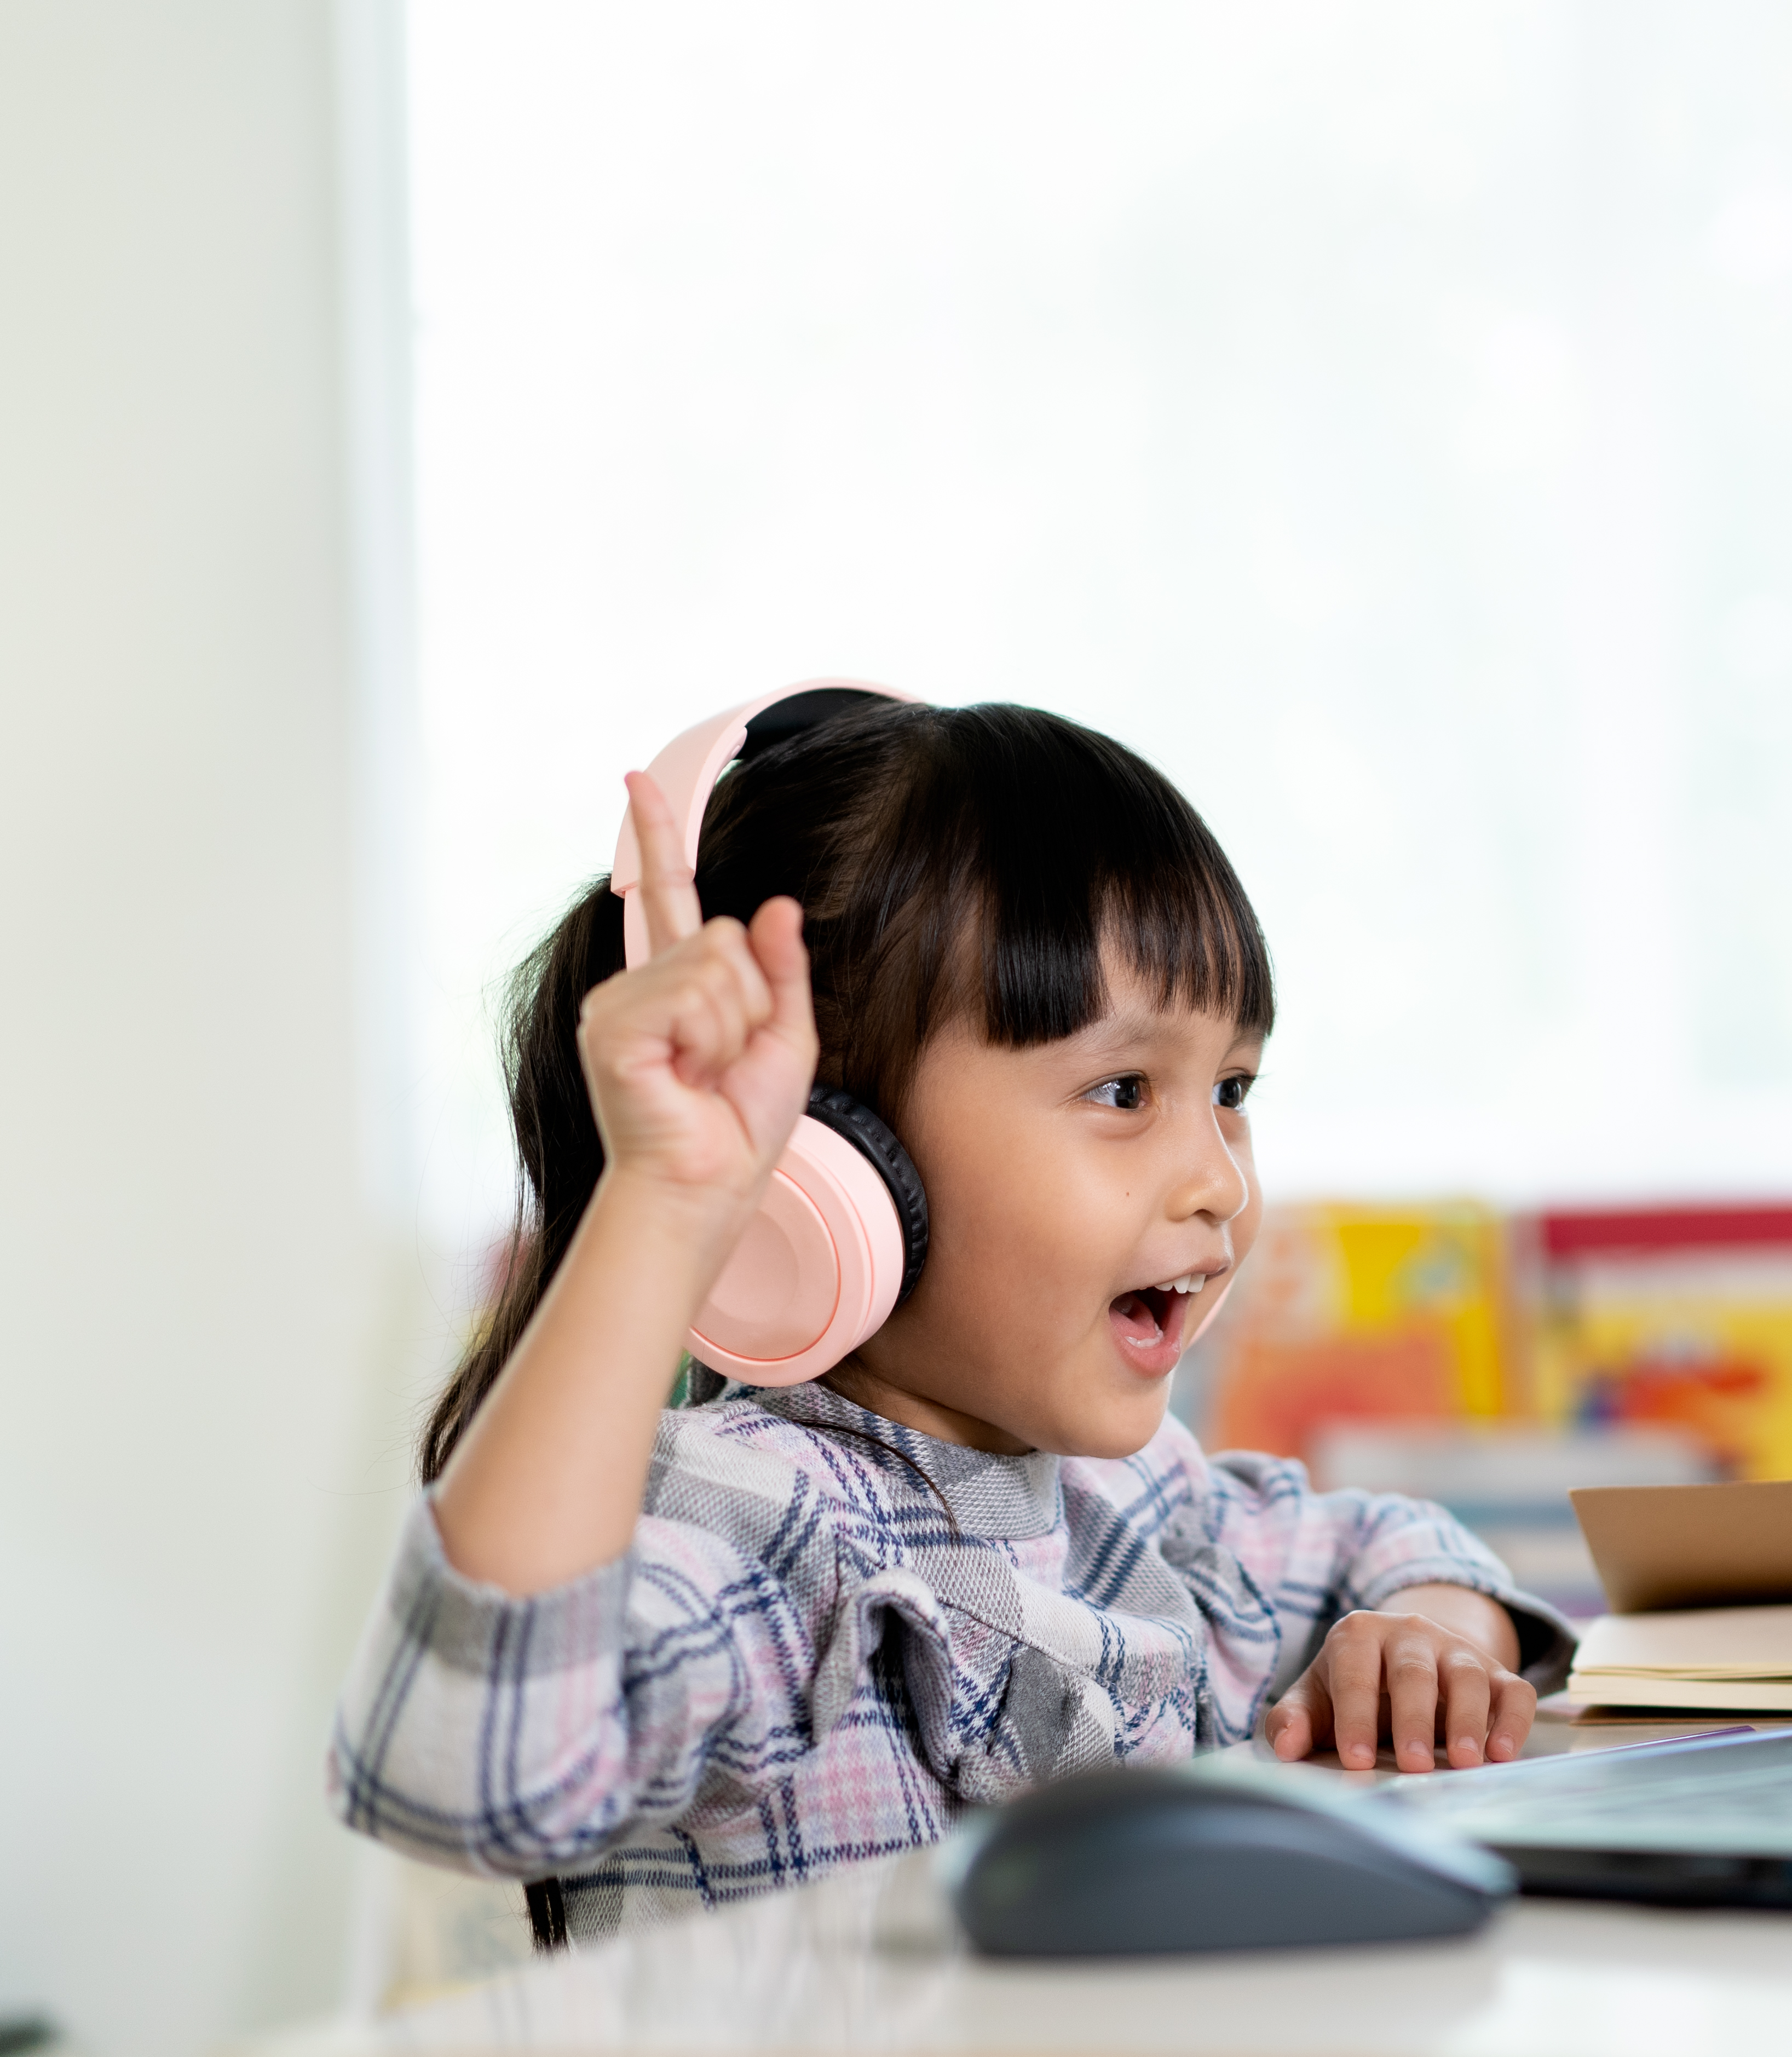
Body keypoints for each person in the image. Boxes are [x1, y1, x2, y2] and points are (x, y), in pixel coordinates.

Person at [328, 698, 1570, 1945]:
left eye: (1232, 1090)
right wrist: (667, 1201)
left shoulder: (1132, 1498)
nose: (1220, 1183)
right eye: (1124, 1089)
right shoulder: (759, 1530)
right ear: (832, 1167)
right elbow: (465, 1767)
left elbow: (1388, 1545)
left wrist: (1424, 1638)